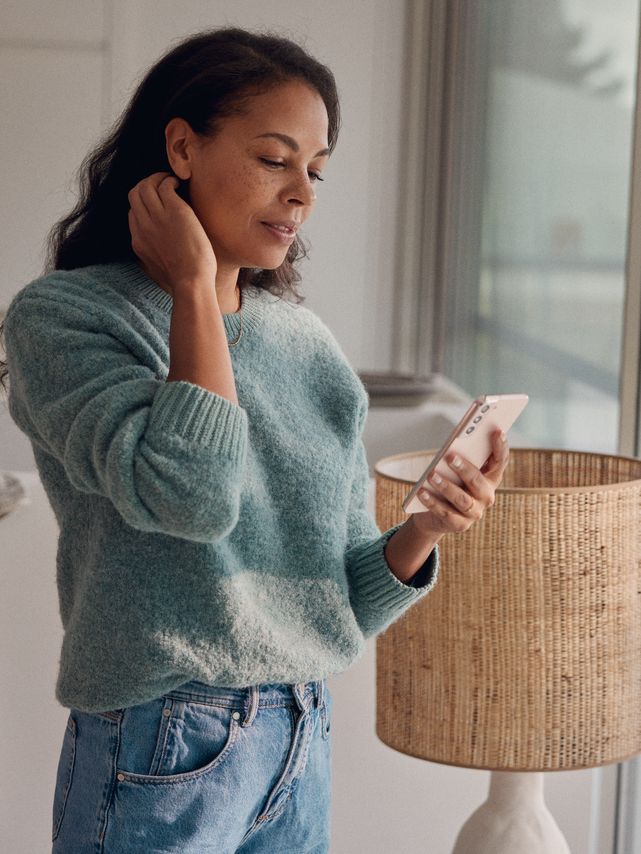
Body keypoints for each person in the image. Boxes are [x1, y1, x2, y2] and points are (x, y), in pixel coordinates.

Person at [0, 26, 510, 854]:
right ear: (181, 149)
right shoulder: (65, 318)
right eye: (275, 159)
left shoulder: (305, 345)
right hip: (160, 738)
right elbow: (189, 497)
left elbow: (337, 599)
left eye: (315, 169)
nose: (302, 192)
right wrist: (195, 287)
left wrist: (424, 530)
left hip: (298, 731)